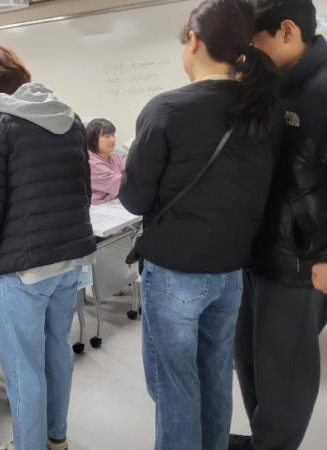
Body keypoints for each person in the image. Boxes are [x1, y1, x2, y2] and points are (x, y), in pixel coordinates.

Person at [118, 0, 281, 449]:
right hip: (231, 274)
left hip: (173, 273)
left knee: (175, 388)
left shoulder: (166, 109)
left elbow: (134, 198)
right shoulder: (262, 112)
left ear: (193, 40)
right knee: (214, 379)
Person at [0, 45, 96, 450]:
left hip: (23, 268)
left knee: (23, 366)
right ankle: (56, 439)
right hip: (71, 259)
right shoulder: (71, 119)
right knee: (57, 351)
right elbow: (83, 190)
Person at [231, 1, 327, 449]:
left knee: (285, 372)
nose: (251, 55)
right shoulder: (276, 87)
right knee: (250, 360)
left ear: (287, 31)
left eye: (257, 43)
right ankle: (263, 441)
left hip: (300, 263)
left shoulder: (322, 89)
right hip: (259, 253)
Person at [86, 118, 126, 204]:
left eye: (113, 135)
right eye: (107, 136)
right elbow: (120, 183)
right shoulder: (91, 162)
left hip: (113, 203)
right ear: (94, 140)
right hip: (97, 208)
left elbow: (129, 173)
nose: (112, 140)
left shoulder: (115, 157)